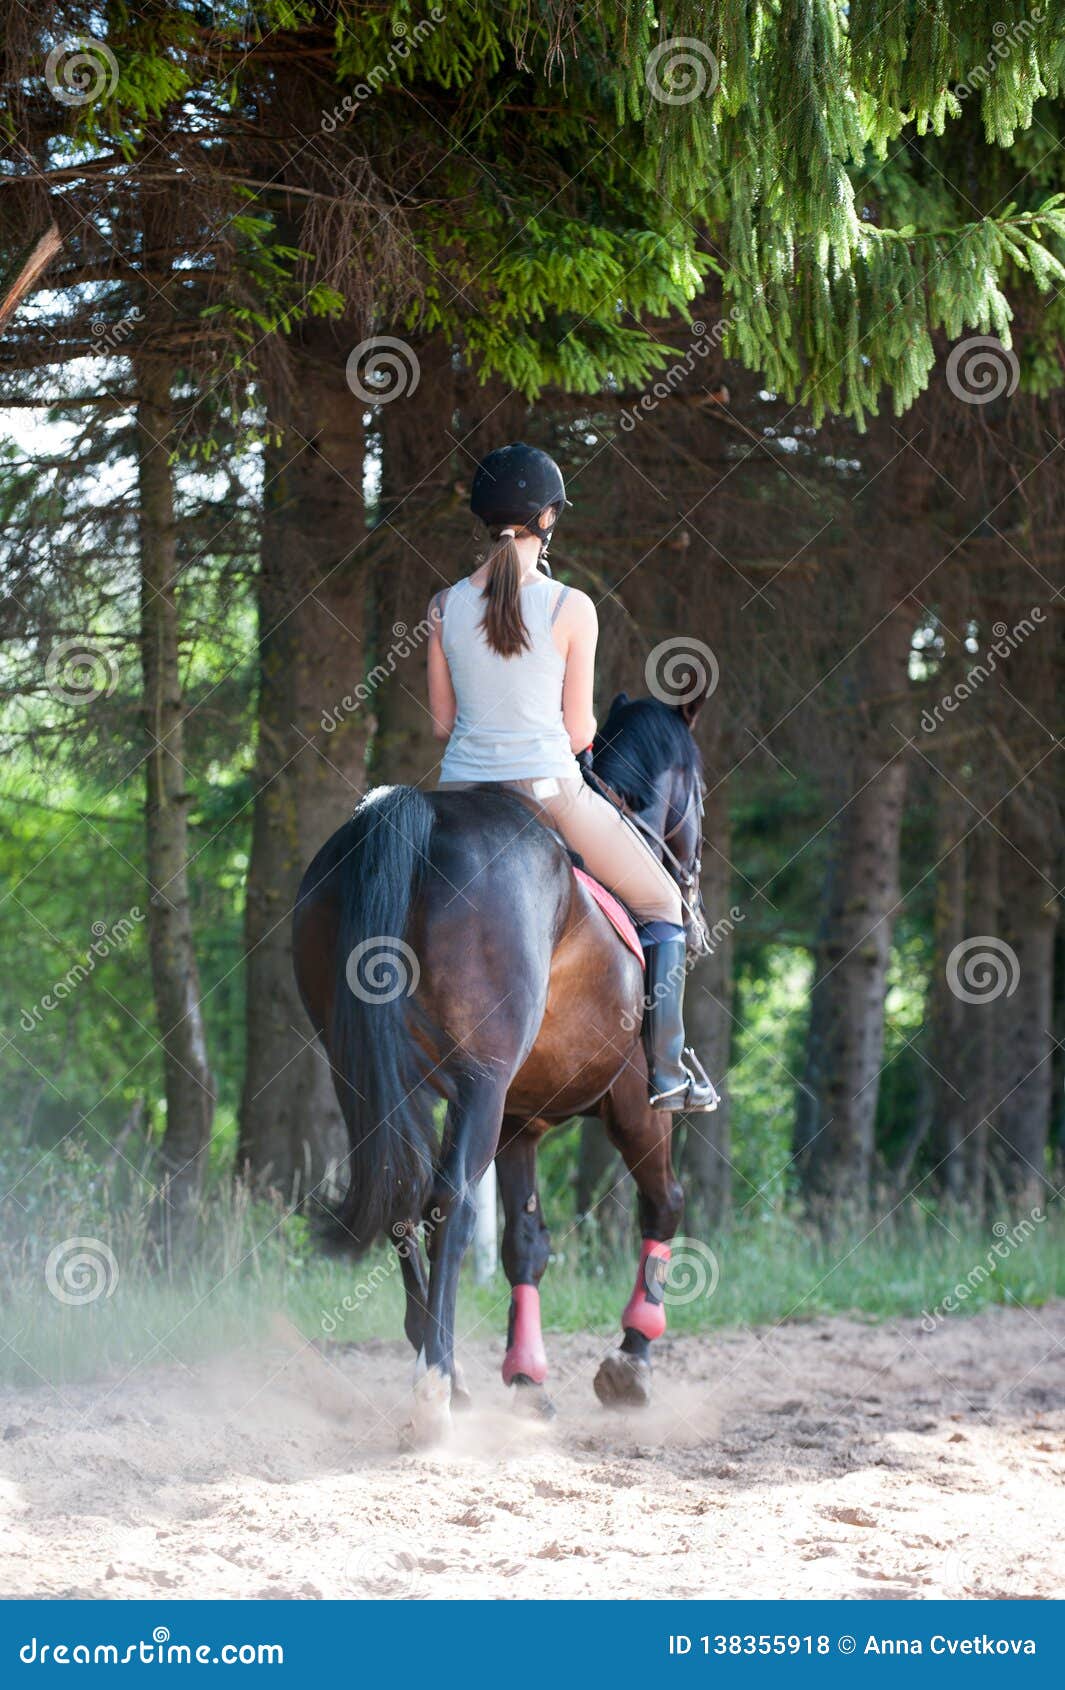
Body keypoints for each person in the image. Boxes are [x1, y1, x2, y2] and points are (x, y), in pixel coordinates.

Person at [427, 442, 715, 1112]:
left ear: (481, 517)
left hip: (460, 795)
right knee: (663, 905)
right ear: (548, 518)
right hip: (547, 794)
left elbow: (443, 723)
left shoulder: (443, 605)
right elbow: (582, 733)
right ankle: (667, 1072)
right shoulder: (570, 606)